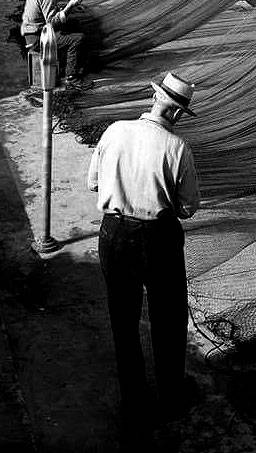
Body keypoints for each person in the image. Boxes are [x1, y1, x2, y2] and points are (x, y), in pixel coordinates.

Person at [88, 71, 201, 443]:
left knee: (124, 320)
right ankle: (171, 396)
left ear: (153, 98)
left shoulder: (115, 131)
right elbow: (187, 208)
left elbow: (93, 182)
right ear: (179, 113)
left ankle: (134, 402)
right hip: (158, 238)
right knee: (167, 318)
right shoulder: (178, 148)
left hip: (115, 233)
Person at [21, 0, 85, 84]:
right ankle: (71, 77)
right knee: (77, 39)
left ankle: (62, 67)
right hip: (36, 38)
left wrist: (63, 10)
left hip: (31, 31)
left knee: (72, 24)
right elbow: (51, 24)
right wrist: (69, 6)